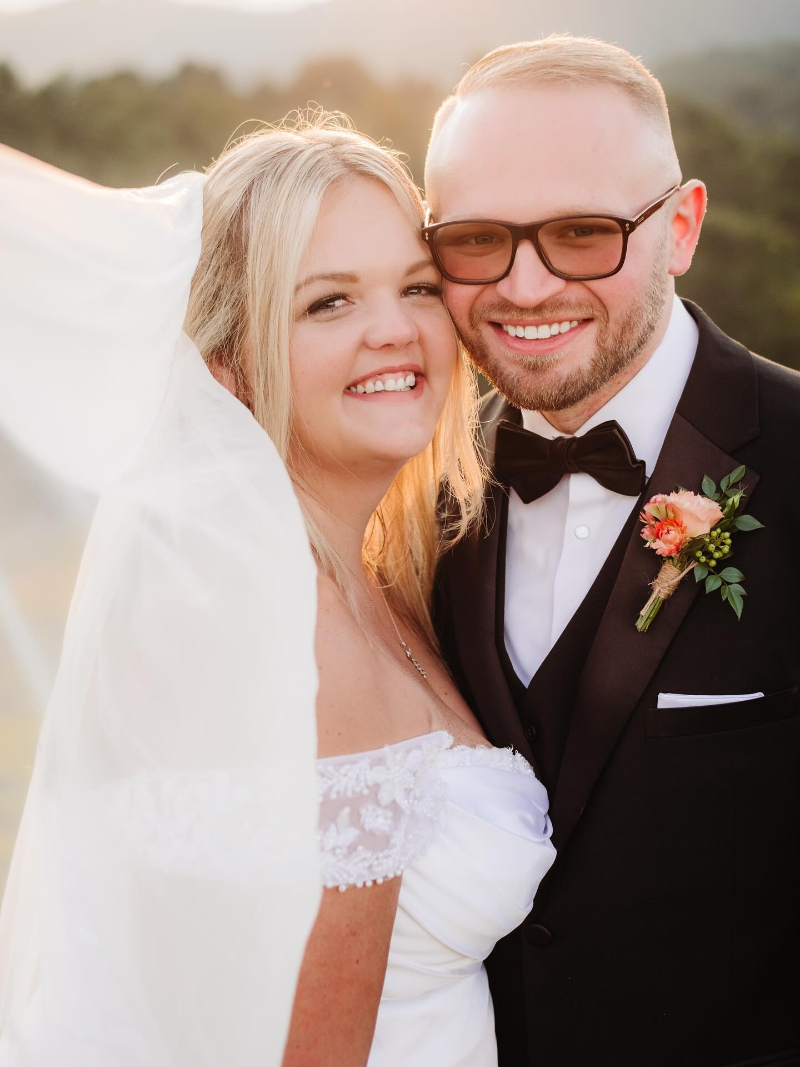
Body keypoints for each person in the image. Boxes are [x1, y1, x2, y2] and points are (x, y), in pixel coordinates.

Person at [0, 114, 555, 1067]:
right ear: (229, 361)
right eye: (327, 302)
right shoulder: (289, 636)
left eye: (416, 286)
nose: (395, 328)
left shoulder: (369, 576)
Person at [427, 35, 800, 1067]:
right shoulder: (409, 493)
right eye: (474, 240)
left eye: (583, 232)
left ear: (679, 227)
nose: (525, 283)